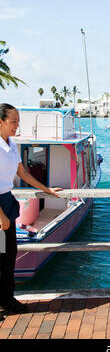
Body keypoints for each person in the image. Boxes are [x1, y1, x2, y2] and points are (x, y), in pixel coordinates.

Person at [0, 103, 62, 317]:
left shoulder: (11, 144)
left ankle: (7, 299)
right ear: (0, 122)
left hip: (7, 202)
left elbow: (22, 173)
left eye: (18, 121)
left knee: (7, 256)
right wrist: (0, 217)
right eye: (13, 121)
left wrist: (46, 189)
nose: (17, 125)